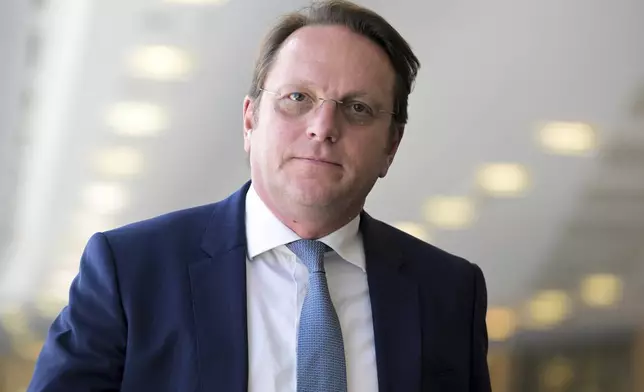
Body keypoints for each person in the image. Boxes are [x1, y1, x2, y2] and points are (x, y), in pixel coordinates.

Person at [28, 1, 491, 391]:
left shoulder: (448, 293)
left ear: (391, 145)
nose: (323, 128)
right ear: (250, 121)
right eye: (297, 98)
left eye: (358, 108)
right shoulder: (130, 271)